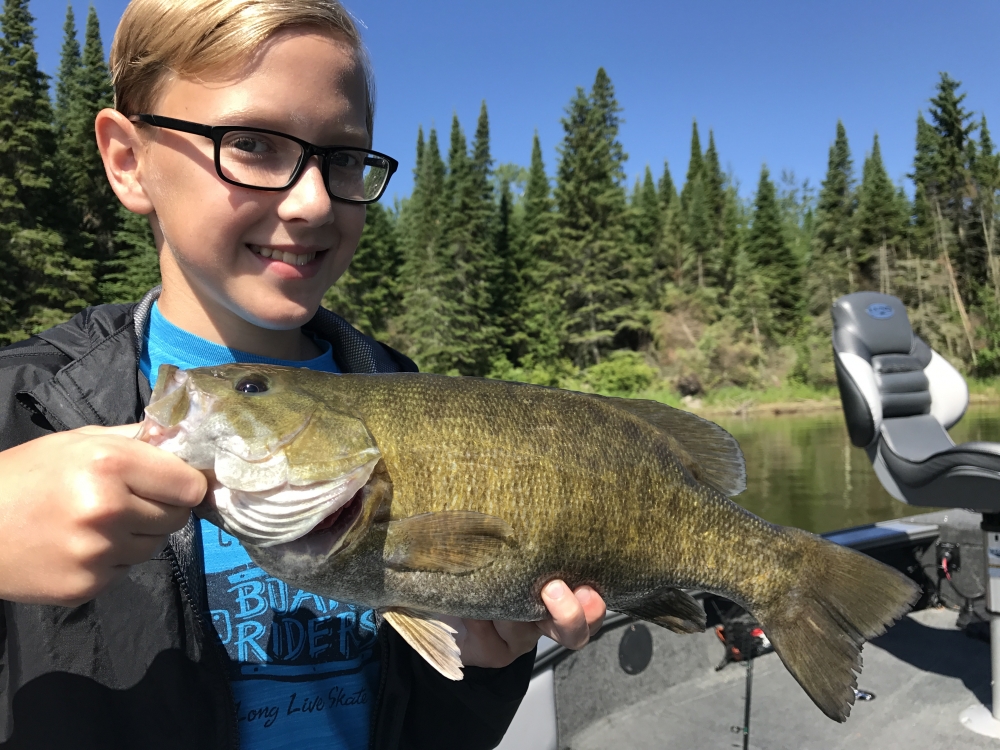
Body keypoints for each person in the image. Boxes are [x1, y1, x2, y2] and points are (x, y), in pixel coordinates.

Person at [0, 1, 606, 747]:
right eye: (251, 144)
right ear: (129, 160)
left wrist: (484, 665)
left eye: (344, 158)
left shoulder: (407, 391)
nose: (314, 201)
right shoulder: (20, 408)